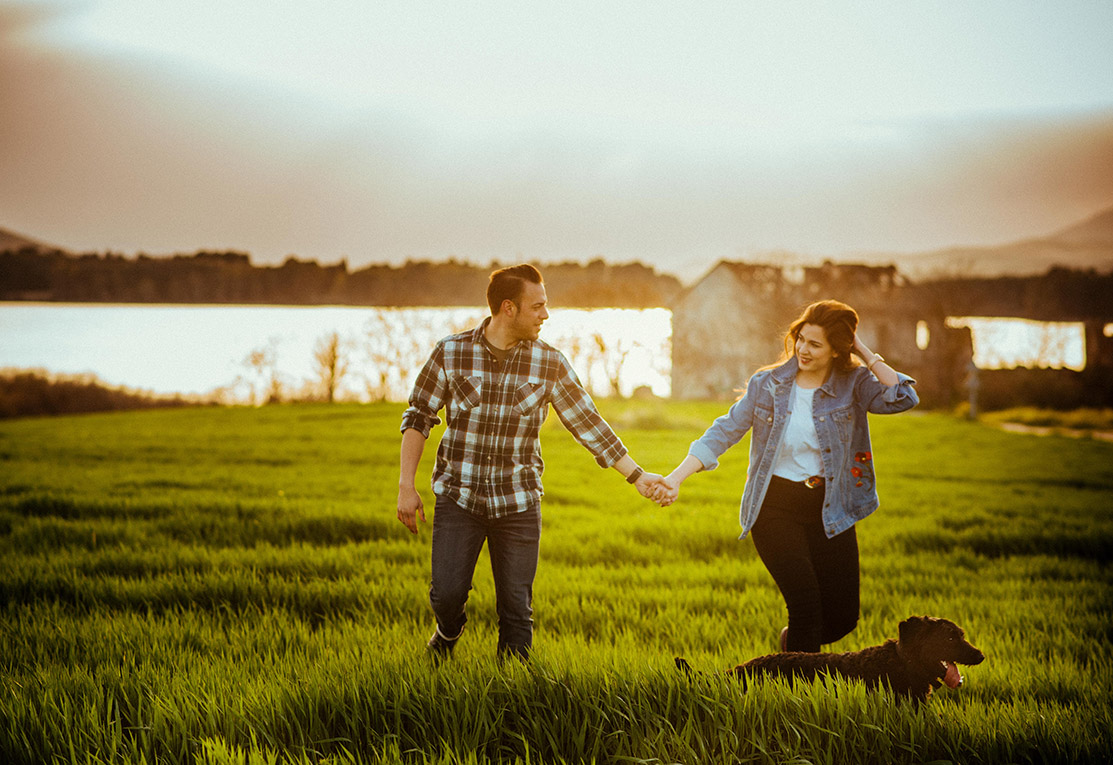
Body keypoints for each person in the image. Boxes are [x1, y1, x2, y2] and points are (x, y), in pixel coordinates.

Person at [398, 264, 668, 661]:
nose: (545, 315)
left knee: (517, 612)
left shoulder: (549, 362)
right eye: (538, 306)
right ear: (509, 308)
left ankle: (514, 701)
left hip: (519, 502)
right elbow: (419, 416)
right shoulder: (451, 352)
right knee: (448, 593)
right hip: (459, 497)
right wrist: (407, 485)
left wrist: (638, 475)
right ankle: (448, 631)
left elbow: (587, 422)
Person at [654, 300, 919, 653]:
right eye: (801, 339)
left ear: (837, 350)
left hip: (831, 509)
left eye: (815, 344)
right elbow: (725, 430)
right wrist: (675, 478)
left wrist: (863, 351)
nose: (803, 350)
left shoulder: (853, 384)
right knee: (806, 607)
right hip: (775, 506)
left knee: (842, 618)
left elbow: (903, 396)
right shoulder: (768, 384)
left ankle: (791, 647)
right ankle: (797, 694)